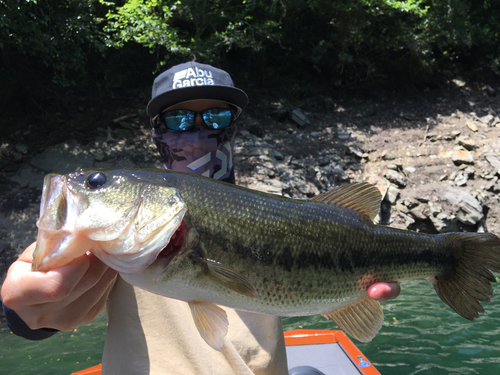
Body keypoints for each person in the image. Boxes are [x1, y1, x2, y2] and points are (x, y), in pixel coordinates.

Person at [1, 62, 400, 374]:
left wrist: (355, 291)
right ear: (157, 132)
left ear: (233, 127)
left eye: (215, 118)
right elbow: (38, 306)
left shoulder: (279, 209)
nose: (195, 131)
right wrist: (28, 312)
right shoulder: (122, 231)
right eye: (177, 120)